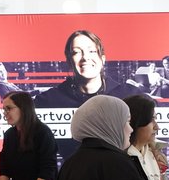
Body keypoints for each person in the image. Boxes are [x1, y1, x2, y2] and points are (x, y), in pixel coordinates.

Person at [35, 30, 141, 162]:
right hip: (76, 177)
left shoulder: (131, 95)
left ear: (102, 59)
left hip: (121, 174)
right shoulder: (49, 101)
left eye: (91, 51)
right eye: (77, 52)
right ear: (69, 61)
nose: (85, 57)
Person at [0, 92, 58, 180]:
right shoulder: (9, 135)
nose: (5, 113)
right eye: (4, 109)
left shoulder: (42, 132)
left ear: (23, 108)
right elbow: (4, 168)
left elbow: (47, 169)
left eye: (9, 108)